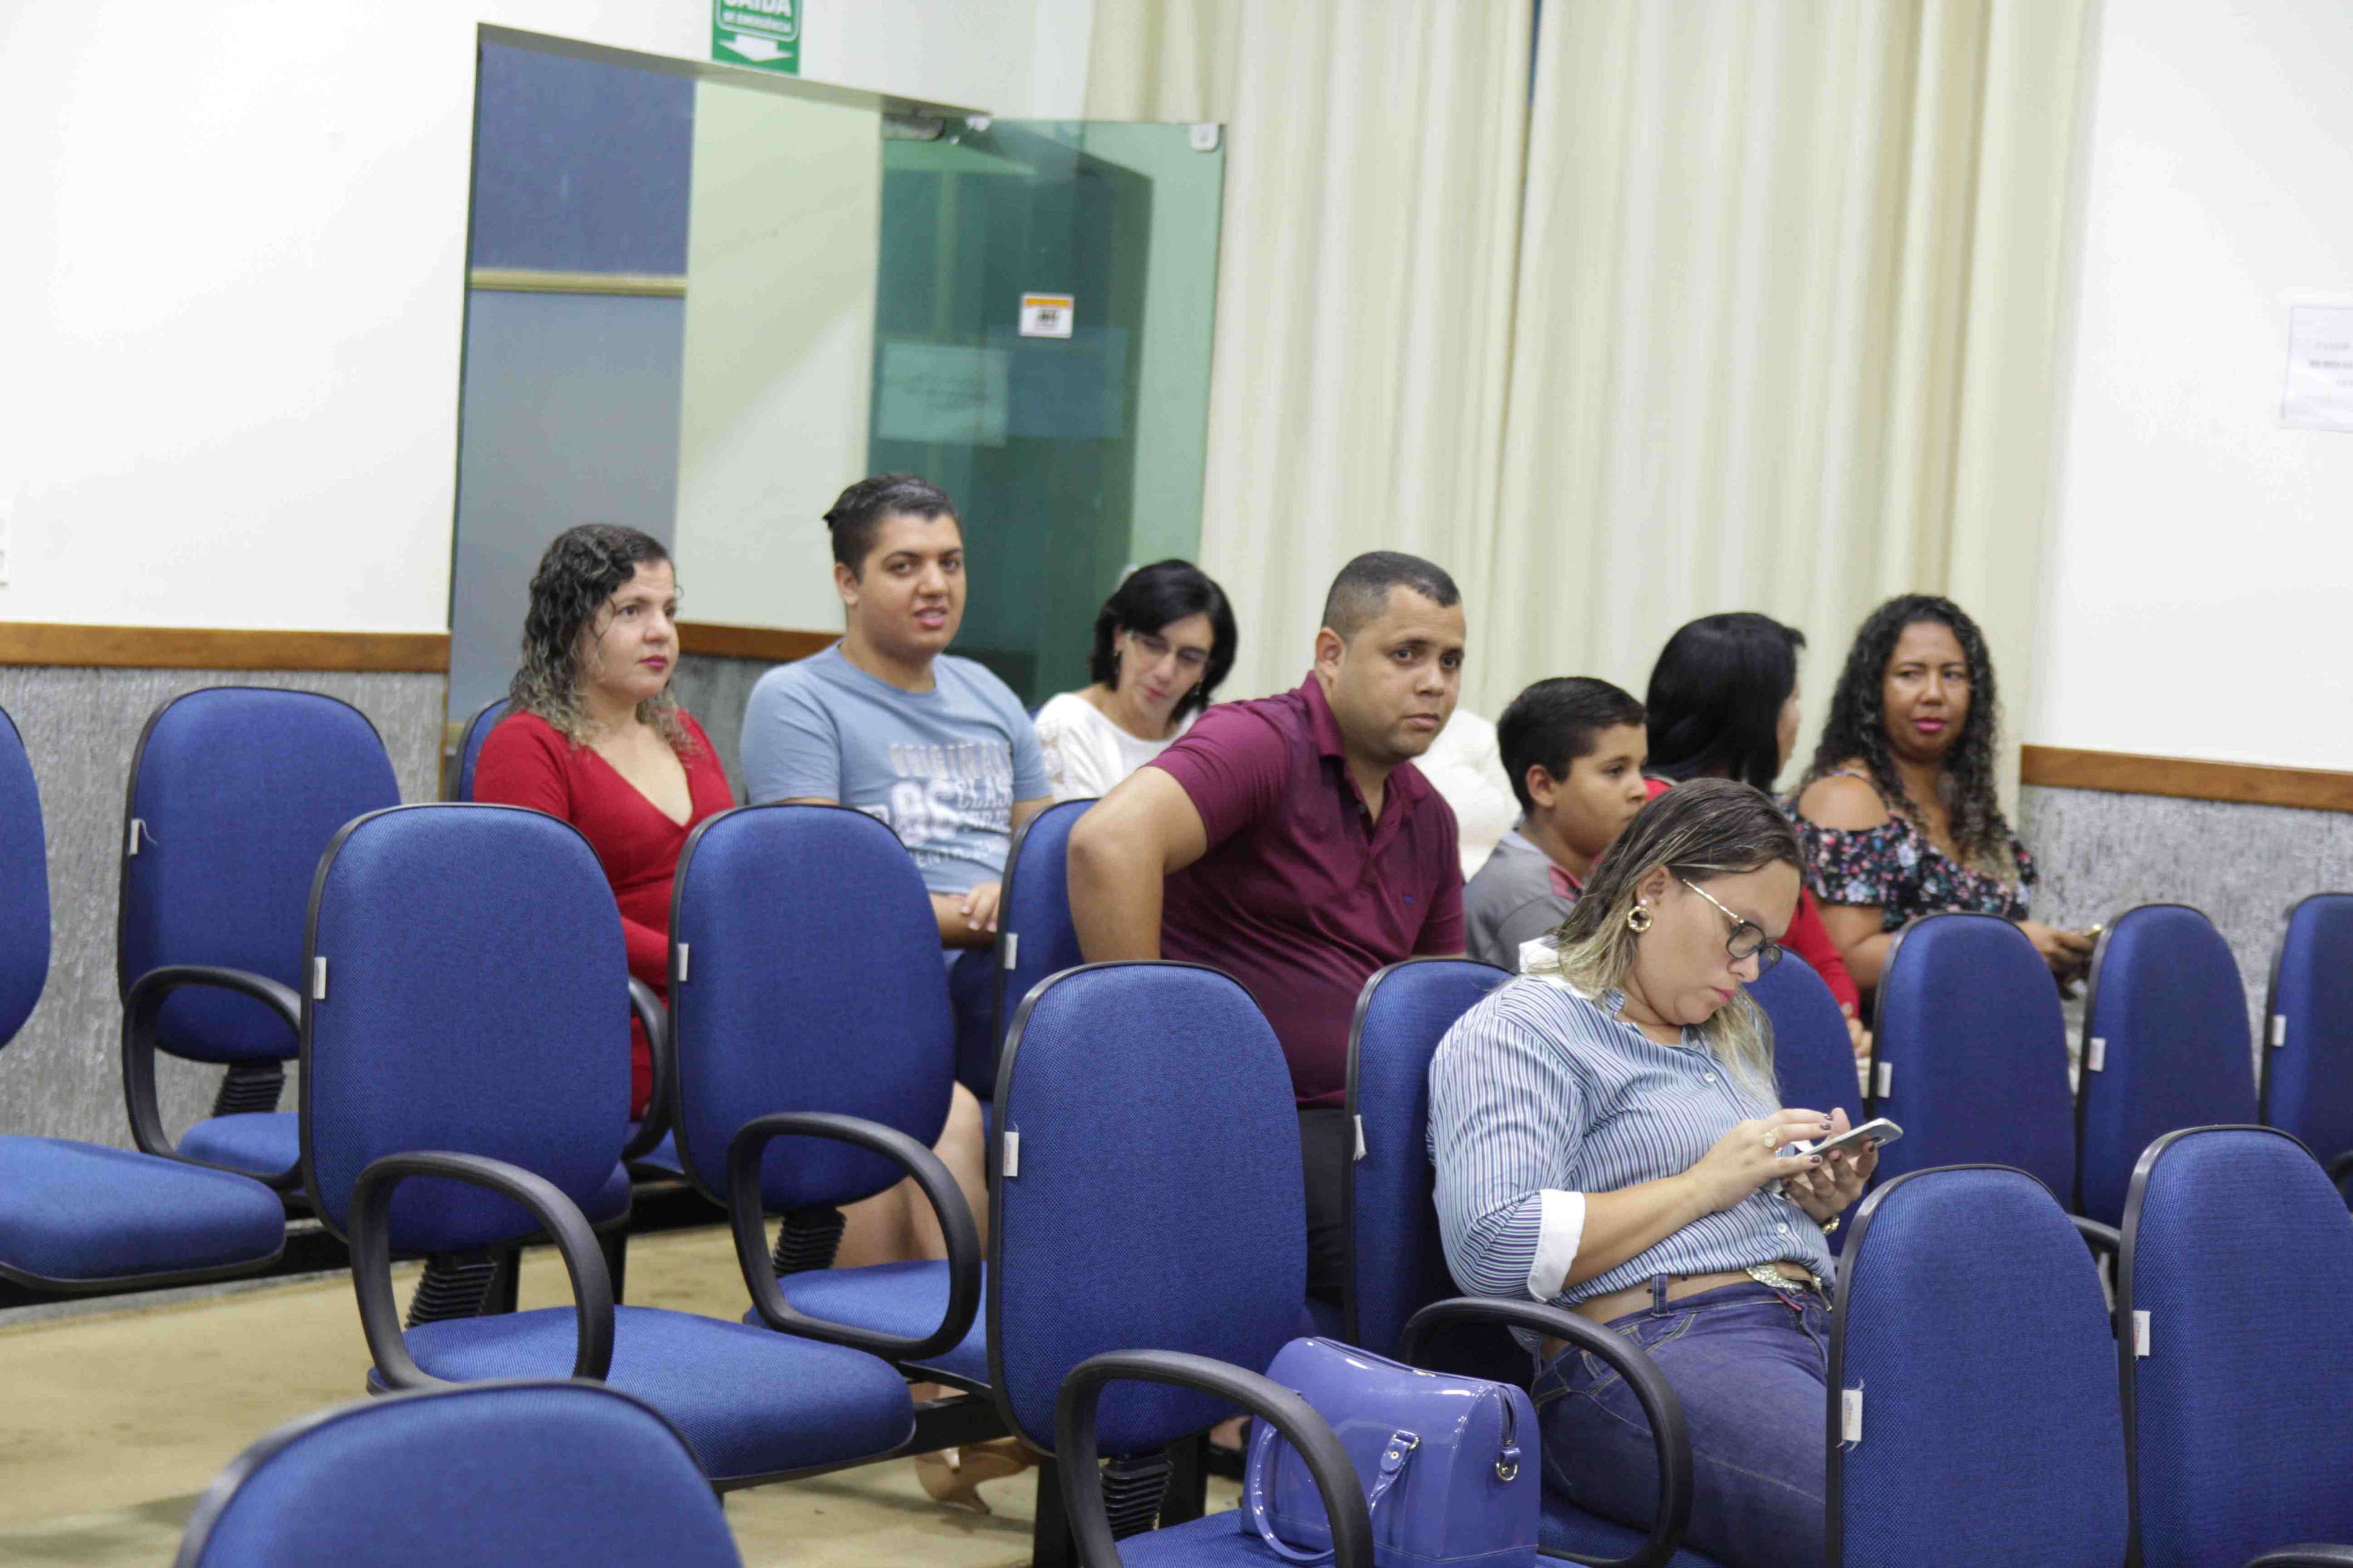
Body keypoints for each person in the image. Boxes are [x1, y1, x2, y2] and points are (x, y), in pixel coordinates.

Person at [1429, 779, 1879, 1568]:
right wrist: (1705, 1183)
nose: (1749, 967)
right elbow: (1492, 1246)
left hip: (1815, 1322)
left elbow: (1731, 1206)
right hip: (1648, 1350)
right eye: (1740, 931)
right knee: (1896, 1517)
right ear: (1654, 888)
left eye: (1765, 946)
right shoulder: (1523, 1027)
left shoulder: (1729, 1030)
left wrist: (1818, 1205)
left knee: (2018, 1482)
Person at [738, 476, 1045, 1512]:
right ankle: (980, 1383)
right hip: (857, 990)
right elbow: (817, 892)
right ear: (846, 580)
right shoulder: (799, 699)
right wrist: (962, 912)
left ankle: (997, 1377)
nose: (934, 585)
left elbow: (1045, 853)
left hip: (992, 981)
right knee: (945, 1124)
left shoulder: (990, 694)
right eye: (903, 565)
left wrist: (1014, 896)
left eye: (949, 563)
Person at [1068, 550, 1469, 1304]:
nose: (1434, 683)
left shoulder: (1431, 818)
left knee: (1518, 1230)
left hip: (1372, 1125)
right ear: (1330, 654)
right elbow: (1106, 845)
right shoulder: (1260, 742)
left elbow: (1438, 1007)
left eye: (1449, 661)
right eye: (1406, 654)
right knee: (1431, 1258)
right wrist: (1151, 1069)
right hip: (1252, 1117)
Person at [474, 524, 732, 1120]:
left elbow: (734, 878)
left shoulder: (684, 732)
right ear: (570, 625)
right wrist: (701, 961)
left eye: (668, 610)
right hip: (614, 1023)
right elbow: (547, 912)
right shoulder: (526, 745)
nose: (660, 631)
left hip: (719, 1002)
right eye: (631, 610)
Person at [1793, 594, 2090, 994]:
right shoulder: (1846, 798)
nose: (1933, 694)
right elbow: (1847, 960)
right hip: (1888, 1029)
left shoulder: (1962, 799)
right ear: (1872, 691)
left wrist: (2053, 955)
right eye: (1910, 674)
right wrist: (2007, 947)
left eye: (1952, 675)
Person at [1644, 612, 1867, 1043]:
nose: (1798, 718)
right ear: (1754, 714)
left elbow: (1825, 964)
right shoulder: (1657, 813)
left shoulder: (1756, 821)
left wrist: (1840, 1021)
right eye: (1793, 699)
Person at [1464, 678, 1649, 973]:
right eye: (1615, 771)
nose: (1641, 789)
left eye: (1641, 768)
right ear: (1544, 787)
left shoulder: (1564, 869)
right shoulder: (1533, 899)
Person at [1031, 560, 1237, 801]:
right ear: (1119, 637)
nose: (1165, 672)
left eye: (1190, 658)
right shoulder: (1067, 724)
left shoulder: (1208, 734)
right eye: (1153, 645)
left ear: (1207, 670)